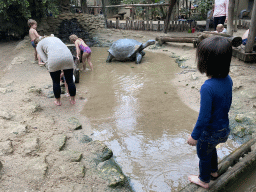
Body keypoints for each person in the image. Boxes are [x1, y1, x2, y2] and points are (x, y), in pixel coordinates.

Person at [187, 36, 233, 189]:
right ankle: (214, 171)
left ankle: (204, 180)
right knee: (211, 149)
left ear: (205, 63)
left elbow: (204, 117)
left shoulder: (208, 87)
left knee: (203, 154)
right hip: (224, 129)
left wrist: (194, 136)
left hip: (210, 132)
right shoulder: (228, 80)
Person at [34, 36, 76, 106]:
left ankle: (58, 101)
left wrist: (49, 68)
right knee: (70, 80)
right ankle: (73, 100)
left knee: (56, 82)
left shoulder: (39, 45)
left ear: (36, 43)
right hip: (68, 56)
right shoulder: (56, 38)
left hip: (54, 60)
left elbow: (44, 59)